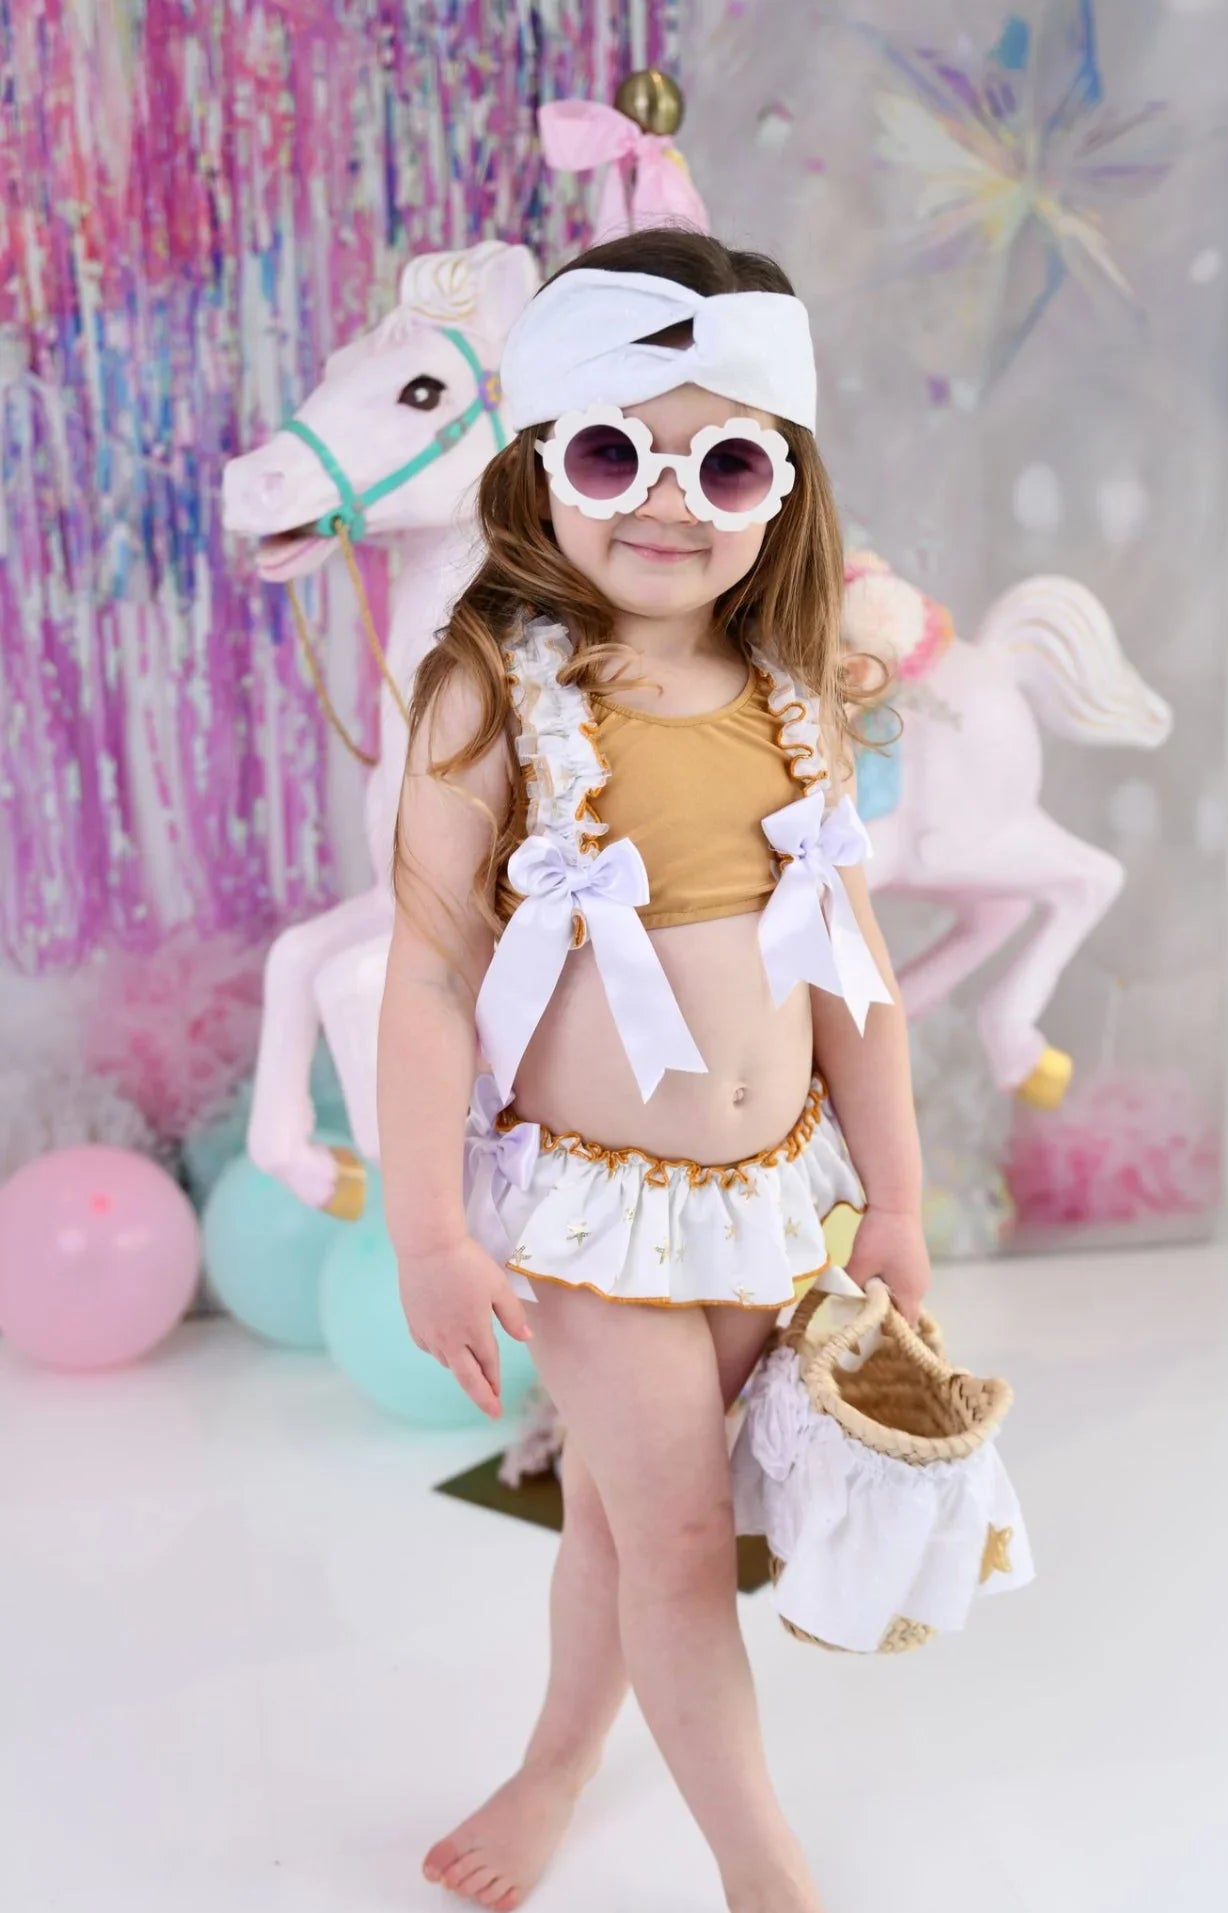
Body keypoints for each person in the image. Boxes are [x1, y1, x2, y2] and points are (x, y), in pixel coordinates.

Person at [378, 228, 930, 1913]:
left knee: (629, 1528)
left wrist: (892, 1201)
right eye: (616, 449)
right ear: (542, 460)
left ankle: (558, 1760)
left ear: (784, 485)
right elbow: (427, 973)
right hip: (603, 1221)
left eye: (726, 458)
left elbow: (855, 981)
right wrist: (429, 1232)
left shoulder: (791, 696)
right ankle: (764, 1868)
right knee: (687, 1544)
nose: (665, 500)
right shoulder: (494, 687)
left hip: (767, 1207)